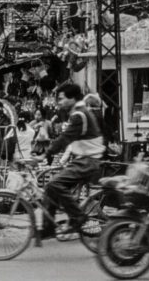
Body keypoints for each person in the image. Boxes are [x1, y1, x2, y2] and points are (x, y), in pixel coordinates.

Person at [40, 83, 105, 239]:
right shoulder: (78, 113)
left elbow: (65, 138)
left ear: (72, 98)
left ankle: (77, 217)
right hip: (83, 159)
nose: (59, 102)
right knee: (51, 188)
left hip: (88, 160)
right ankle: (48, 226)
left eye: (61, 99)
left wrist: (46, 154)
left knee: (54, 184)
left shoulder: (79, 115)